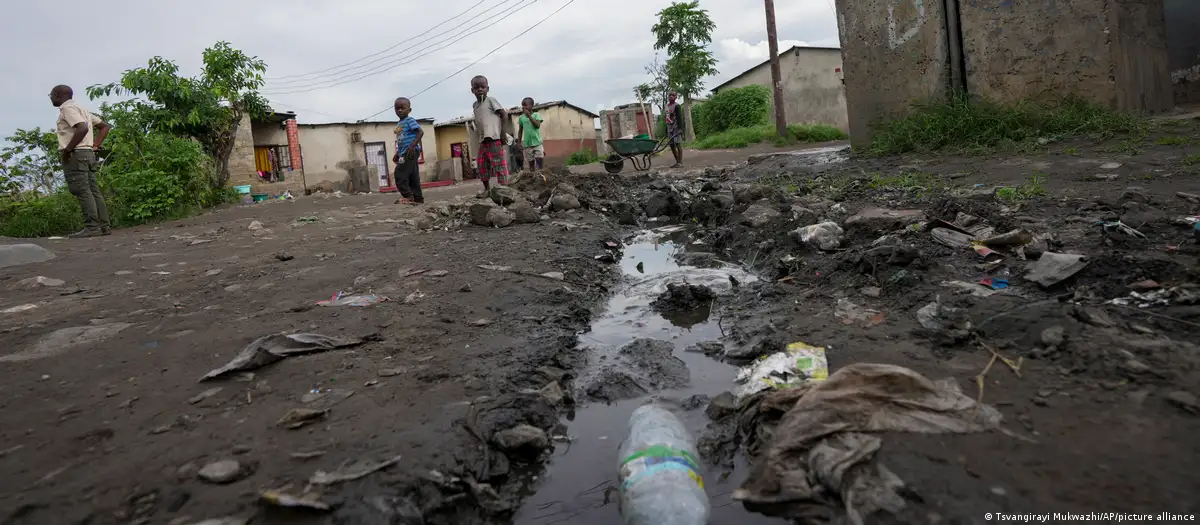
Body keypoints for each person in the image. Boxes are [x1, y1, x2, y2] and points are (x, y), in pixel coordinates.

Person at [50, 85, 112, 238]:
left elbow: (82, 128)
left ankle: (92, 227)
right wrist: (95, 145)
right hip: (88, 153)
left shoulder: (67, 109)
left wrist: (68, 149)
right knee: (92, 190)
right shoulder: (82, 109)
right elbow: (104, 127)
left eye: (51, 95)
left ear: (57, 95)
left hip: (77, 154)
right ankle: (104, 226)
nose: (51, 98)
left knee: (82, 190)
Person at [470, 75, 511, 196]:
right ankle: (487, 189)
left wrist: (502, 133)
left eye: (483, 87)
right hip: (483, 140)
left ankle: (504, 189)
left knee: (499, 164)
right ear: (472, 90)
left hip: (494, 138)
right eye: (476, 87)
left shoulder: (491, 100)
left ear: (487, 88)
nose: (480, 89)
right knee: (482, 165)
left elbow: (504, 115)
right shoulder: (475, 105)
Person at [392, 97, 424, 205]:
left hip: (410, 151)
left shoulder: (410, 120)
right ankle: (418, 198)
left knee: (400, 172)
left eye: (402, 108)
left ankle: (407, 196)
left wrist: (413, 145)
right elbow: (402, 141)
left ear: (409, 110)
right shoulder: (399, 124)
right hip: (405, 152)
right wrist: (398, 153)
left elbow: (420, 132)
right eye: (397, 108)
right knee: (413, 176)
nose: (399, 110)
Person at [517, 97, 544, 171]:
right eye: (522, 105)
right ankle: (533, 178)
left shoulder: (536, 115)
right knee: (531, 165)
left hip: (537, 144)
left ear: (532, 106)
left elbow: (537, 126)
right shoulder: (521, 118)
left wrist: (529, 116)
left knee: (539, 164)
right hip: (527, 145)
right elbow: (520, 131)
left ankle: (540, 178)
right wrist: (519, 143)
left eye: (525, 105)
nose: (523, 107)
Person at [665, 91, 685, 168]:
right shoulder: (667, 106)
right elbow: (666, 118)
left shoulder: (677, 106)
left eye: (673, 95)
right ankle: (677, 161)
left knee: (677, 144)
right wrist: (665, 130)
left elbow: (680, 118)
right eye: (669, 95)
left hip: (676, 128)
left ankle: (680, 162)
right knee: (671, 145)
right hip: (669, 128)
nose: (671, 96)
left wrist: (680, 128)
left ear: (676, 97)